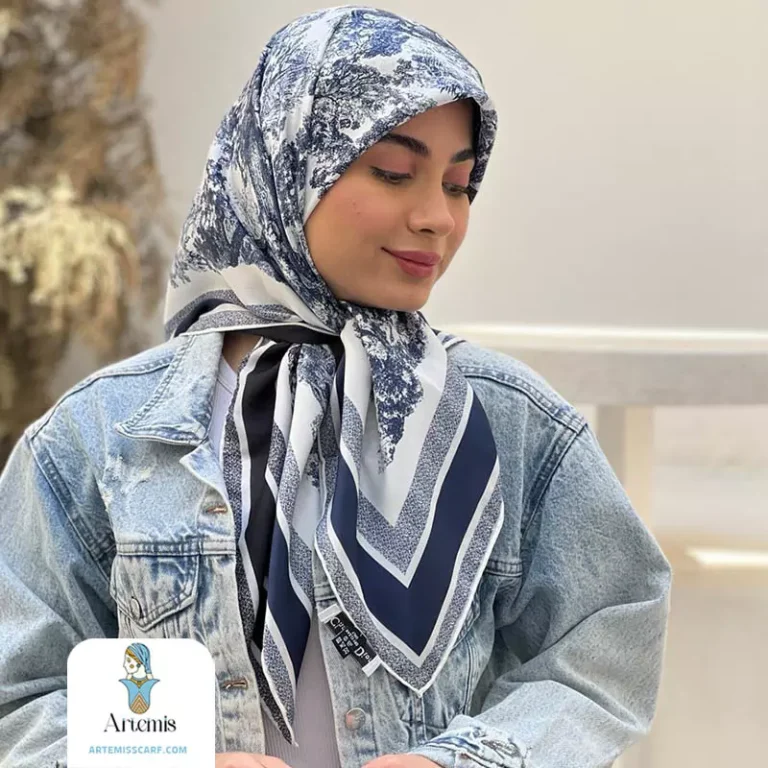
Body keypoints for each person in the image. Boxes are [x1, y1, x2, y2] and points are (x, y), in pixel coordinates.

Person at [0, 6, 671, 768]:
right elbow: (19, 693)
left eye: (459, 185)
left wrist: (466, 759)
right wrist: (167, 762)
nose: (437, 218)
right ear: (287, 164)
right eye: (393, 171)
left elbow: (606, 643)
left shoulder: (509, 420)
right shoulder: (100, 433)